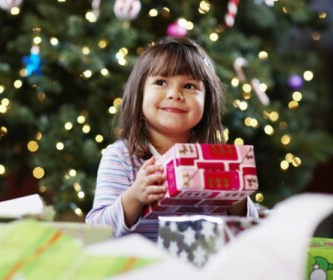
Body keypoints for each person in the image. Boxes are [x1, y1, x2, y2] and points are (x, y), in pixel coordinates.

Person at [85, 37, 258, 241]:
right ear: (139, 94)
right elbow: (97, 231)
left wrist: (237, 197)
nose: (175, 94)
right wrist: (134, 197)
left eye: (190, 86)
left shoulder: (214, 159)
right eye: (160, 82)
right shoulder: (122, 157)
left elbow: (250, 233)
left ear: (207, 101)